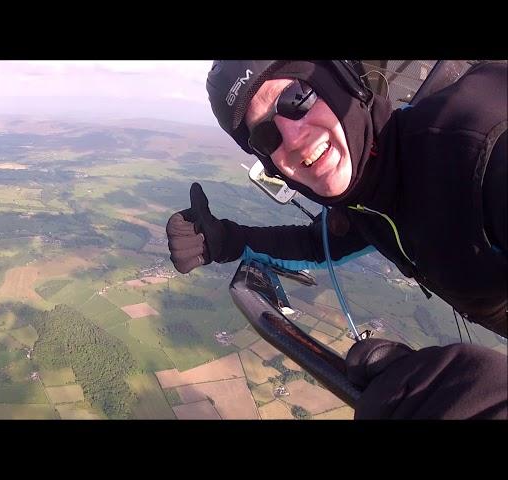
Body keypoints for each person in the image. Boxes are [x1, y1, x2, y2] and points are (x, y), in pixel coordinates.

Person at [166, 60, 507, 419]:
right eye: (266, 136)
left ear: (344, 83)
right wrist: (226, 241)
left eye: (297, 97)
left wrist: (474, 397)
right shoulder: (371, 188)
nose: (294, 140)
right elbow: (316, 245)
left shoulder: (475, 146)